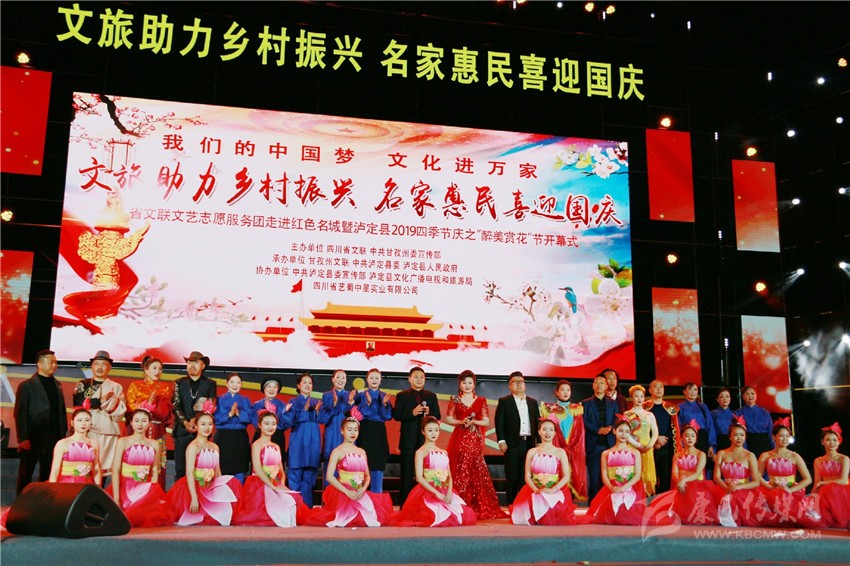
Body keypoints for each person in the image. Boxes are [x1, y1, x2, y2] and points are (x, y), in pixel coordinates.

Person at [306, 410, 393, 527]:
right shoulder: (337, 451)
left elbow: (367, 476)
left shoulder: (361, 451)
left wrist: (363, 489)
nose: (353, 433)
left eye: (356, 430)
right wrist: (347, 492)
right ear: (342, 431)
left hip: (360, 492)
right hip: (343, 493)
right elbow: (329, 477)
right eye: (349, 429)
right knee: (344, 518)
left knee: (371, 519)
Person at [389, 416, 477, 527]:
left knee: (460, 515)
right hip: (428, 490)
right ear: (423, 432)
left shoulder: (443, 452)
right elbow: (419, 478)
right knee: (434, 516)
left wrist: (449, 491)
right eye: (430, 430)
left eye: (436, 430)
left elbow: (449, 476)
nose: (434, 433)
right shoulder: (420, 452)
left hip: (445, 490)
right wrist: (436, 493)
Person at [168, 401, 242, 526]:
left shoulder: (214, 447)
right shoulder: (193, 447)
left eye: (210, 424)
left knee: (233, 484)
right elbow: (189, 473)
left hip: (211, 485)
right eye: (203, 424)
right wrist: (194, 497)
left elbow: (217, 471)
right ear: (196, 426)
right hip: (196, 486)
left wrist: (221, 491)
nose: (207, 427)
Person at [232, 409, 309, 527]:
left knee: (294, 500)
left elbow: (281, 471)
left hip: (275, 483)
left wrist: (281, 485)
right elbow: (258, 470)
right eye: (267, 424)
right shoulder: (257, 445)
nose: (270, 427)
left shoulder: (276, 446)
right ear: (259, 425)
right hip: (259, 484)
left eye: (273, 424)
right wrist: (273, 487)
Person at [445, 369, 506, 519]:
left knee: (476, 468)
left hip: (474, 438)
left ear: (474, 385)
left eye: (470, 383)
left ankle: (478, 505)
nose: (467, 385)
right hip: (460, 437)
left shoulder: (481, 400)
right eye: (464, 383)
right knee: (460, 468)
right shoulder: (455, 400)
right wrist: (460, 421)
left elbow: (486, 421)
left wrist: (474, 422)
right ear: (460, 384)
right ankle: (459, 504)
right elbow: (448, 418)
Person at [13, 349, 68, 494]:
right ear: (39, 364)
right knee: (26, 473)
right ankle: (22, 502)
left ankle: (43, 501)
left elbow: (61, 412)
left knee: (48, 472)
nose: (54, 365)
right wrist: (23, 438)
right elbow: (20, 413)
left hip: (54, 437)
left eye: (56, 362)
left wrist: (64, 436)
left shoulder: (57, 384)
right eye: (51, 362)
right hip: (33, 437)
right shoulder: (27, 385)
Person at [111, 406, 174, 527]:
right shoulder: (123, 442)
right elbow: (116, 469)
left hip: (145, 486)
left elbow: (154, 469)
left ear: (149, 423)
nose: (140, 424)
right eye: (137, 421)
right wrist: (116, 498)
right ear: (131, 423)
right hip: (126, 487)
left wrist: (154, 493)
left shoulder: (154, 444)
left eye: (144, 421)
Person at [646, 419, 716, 526]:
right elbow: (674, 473)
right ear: (681, 438)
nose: (690, 438)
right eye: (687, 436)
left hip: (696, 485)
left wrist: (684, 481)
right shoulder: (677, 455)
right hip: (680, 485)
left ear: (696, 438)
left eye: (693, 436)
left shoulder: (701, 454)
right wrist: (680, 482)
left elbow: (698, 473)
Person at [510, 417, 577, 525]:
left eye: (551, 429)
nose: (547, 433)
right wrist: (536, 490)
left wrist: (553, 489)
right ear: (539, 431)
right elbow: (527, 476)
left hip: (554, 490)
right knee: (521, 516)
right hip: (534, 489)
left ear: (555, 433)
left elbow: (566, 476)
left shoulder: (560, 452)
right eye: (544, 429)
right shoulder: (532, 452)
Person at [72, 350, 126, 481]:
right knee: (84, 469)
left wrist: (109, 403)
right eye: (96, 364)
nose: (100, 367)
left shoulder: (116, 387)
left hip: (108, 433)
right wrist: (101, 401)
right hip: (87, 432)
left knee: (104, 471)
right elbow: (78, 404)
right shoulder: (83, 384)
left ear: (109, 367)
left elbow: (121, 411)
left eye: (103, 364)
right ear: (92, 366)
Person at [757, 417, 819, 528]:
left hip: (790, 490)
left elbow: (808, 479)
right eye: (781, 436)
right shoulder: (765, 456)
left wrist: (790, 490)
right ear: (774, 437)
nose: (785, 439)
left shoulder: (795, 456)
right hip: (770, 489)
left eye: (787, 436)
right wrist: (770, 487)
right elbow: (757, 476)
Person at [581, 417, 645, 525]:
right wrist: (612, 488)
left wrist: (623, 488)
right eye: (620, 431)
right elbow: (604, 475)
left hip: (630, 487)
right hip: (612, 488)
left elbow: (637, 475)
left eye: (627, 432)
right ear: (614, 431)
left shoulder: (635, 452)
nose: (623, 434)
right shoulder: (606, 453)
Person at [393, 366, 441, 505]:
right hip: (408, 441)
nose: (419, 380)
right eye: (416, 377)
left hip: (426, 442)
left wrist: (429, 413)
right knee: (407, 475)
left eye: (422, 377)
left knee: (428, 474)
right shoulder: (402, 395)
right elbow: (396, 415)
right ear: (409, 379)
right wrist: (412, 413)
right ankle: (405, 506)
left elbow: (437, 416)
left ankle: (427, 504)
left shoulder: (431, 396)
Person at [712, 416, 771, 527]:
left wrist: (739, 487)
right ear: (730, 436)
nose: (739, 438)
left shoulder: (750, 455)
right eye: (735, 435)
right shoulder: (722, 453)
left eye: (742, 435)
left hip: (743, 490)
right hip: (724, 488)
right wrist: (726, 488)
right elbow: (716, 476)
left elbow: (756, 482)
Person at [126, 355, 173, 490]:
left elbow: (166, 413)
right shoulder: (135, 386)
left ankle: (156, 493)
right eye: (154, 368)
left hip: (157, 429)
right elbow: (129, 406)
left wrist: (156, 406)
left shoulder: (164, 387)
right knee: (137, 461)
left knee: (157, 464)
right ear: (146, 370)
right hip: (138, 429)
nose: (158, 371)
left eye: (160, 369)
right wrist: (146, 404)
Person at [495, 371, 540, 506]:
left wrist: (539, 442)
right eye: (515, 382)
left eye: (521, 382)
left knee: (526, 476)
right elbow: (499, 422)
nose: (518, 384)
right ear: (510, 386)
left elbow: (537, 423)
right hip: (512, 444)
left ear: (525, 384)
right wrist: (501, 440)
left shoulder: (532, 402)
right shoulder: (504, 401)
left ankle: (524, 505)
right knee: (512, 475)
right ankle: (511, 505)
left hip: (529, 444)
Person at [172, 351, 218, 480]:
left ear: (203, 365)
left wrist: (197, 421)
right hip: (182, 431)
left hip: (201, 433)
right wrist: (185, 422)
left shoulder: (210, 384)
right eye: (189, 362)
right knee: (181, 470)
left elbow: (211, 405)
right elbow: (175, 405)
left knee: (201, 469)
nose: (192, 365)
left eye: (196, 362)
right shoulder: (179, 382)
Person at [540, 380, 586, 501]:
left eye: (568, 390)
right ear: (556, 392)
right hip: (556, 446)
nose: (565, 392)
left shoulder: (577, 409)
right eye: (562, 390)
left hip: (573, 446)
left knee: (572, 474)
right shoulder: (549, 409)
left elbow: (580, 431)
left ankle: (569, 501)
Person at [352, 368, 393, 493]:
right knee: (361, 465)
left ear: (380, 380)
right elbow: (360, 414)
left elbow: (388, 416)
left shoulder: (384, 395)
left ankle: (377, 497)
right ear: (367, 379)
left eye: (377, 378)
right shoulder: (361, 395)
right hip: (365, 431)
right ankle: (359, 497)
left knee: (377, 466)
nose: (374, 380)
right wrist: (368, 403)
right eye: (371, 378)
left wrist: (384, 404)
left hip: (379, 432)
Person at [287, 372, 322, 507]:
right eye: (304, 382)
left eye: (310, 383)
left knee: (309, 480)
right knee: (295, 478)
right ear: (298, 385)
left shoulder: (317, 403)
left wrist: (317, 412)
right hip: (298, 444)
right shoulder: (293, 402)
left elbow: (323, 419)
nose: (307, 385)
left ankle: (307, 509)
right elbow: (288, 421)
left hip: (312, 444)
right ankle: (294, 509)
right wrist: (304, 411)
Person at [581, 374, 617, 500]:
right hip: (593, 446)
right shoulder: (585, 403)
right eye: (596, 382)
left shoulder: (613, 403)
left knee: (611, 479)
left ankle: (608, 507)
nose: (599, 385)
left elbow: (617, 419)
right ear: (593, 386)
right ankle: (593, 507)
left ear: (606, 386)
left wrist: (611, 428)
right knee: (594, 479)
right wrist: (598, 430)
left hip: (610, 445)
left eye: (602, 383)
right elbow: (583, 420)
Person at [213, 373, 252, 483]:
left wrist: (239, 414)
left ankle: (239, 490)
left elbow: (251, 418)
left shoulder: (245, 400)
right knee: (223, 467)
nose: (235, 385)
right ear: (227, 384)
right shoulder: (218, 400)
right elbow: (215, 418)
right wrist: (229, 414)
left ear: (241, 385)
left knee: (240, 468)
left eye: (238, 382)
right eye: (232, 382)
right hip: (223, 437)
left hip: (240, 437)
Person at [48, 405, 101, 485]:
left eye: (87, 420)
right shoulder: (62, 443)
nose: (83, 423)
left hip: (87, 486)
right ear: (72, 422)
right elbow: (54, 471)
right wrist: (53, 490)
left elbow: (96, 469)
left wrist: (98, 488)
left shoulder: (94, 443)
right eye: (79, 420)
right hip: (66, 486)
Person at [812, 423, 850, 529]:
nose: (831, 443)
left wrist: (824, 483)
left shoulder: (844, 459)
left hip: (842, 492)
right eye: (828, 440)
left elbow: (843, 480)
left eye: (835, 440)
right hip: (825, 493)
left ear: (839, 442)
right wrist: (812, 496)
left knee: (831, 488)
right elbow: (817, 482)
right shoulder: (818, 461)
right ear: (822, 442)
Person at [318, 369, 353, 483]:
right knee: (330, 467)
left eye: (343, 377)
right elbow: (323, 419)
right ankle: (329, 494)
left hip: (347, 434)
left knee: (347, 467)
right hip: (332, 433)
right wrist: (333, 405)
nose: (340, 380)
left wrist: (351, 403)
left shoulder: (350, 395)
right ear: (333, 379)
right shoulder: (327, 395)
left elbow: (355, 417)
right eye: (338, 377)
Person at [624, 384, 659, 495]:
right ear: (631, 398)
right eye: (636, 396)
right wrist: (637, 445)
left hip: (647, 447)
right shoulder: (627, 414)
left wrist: (650, 445)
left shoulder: (650, 415)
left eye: (641, 396)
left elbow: (655, 432)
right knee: (634, 473)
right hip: (633, 447)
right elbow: (626, 433)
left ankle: (646, 497)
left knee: (647, 474)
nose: (639, 399)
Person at [645, 380, 679, 493]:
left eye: (661, 387)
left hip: (667, 447)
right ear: (650, 390)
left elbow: (674, 427)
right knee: (651, 477)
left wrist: (663, 440)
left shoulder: (671, 408)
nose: (659, 389)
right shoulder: (644, 407)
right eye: (656, 387)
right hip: (650, 447)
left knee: (666, 479)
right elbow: (643, 427)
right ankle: (651, 501)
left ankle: (663, 501)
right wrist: (655, 439)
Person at [251, 376, 291, 456]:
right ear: (264, 389)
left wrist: (284, 413)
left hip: (277, 437)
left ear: (278, 389)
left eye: (274, 387)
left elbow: (285, 425)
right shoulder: (257, 405)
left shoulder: (283, 405)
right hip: (261, 436)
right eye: (269, 386)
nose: (271, 389)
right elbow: (255, 422)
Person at [677, 383, 717, 461]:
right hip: (687, 439)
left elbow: (710, 426)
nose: (693, 392)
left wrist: (711, 445)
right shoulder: (679, 407)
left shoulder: (703, 407)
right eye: (690, 389)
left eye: (695, 389)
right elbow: (677, 427)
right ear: (684, 391)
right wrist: (681, 445)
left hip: (702, 438)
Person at [734, 386, 773, 458]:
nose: (750, 396)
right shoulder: (739, 412)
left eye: (752, 393)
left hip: (764, 442)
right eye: (747, 394)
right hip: (748, 442)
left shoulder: (764, 412)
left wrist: (773, 446)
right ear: (743, 396)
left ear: (756, 395)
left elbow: (770, 430)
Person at [711, 388, 736, 452]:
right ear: (717, 399)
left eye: (727, 396)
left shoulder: (735, 414)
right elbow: (711, 431)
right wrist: (712, 445)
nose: (725, 399)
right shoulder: (713, 414)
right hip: (718, 441)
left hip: (732, 441)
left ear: (730, 398)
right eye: (722, 397)